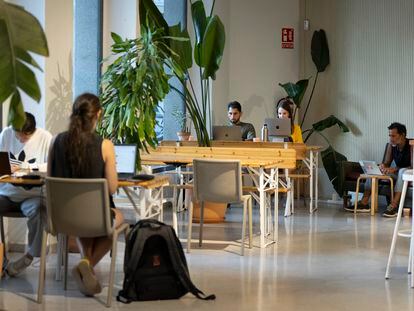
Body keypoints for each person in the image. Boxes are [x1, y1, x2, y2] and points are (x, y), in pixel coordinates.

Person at [48, 93, 124, 296]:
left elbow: (50, 179)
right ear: (98, 114)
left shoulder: (56, 141)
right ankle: (86, 265)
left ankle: (85, 264)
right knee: (118, 221)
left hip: (62, 219)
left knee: (84, 223)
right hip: (95, 218)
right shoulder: (104, 145)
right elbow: (112, 188)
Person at [0, 112, 52, 276]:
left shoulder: (46, 138)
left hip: (33, 196)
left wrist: (25, 167)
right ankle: (1, 257)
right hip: (7, 193)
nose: (22, 139)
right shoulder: (7, 134)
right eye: (19, 136)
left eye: (26, 137)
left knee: (39, 212)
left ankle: (28, 258)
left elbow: (50, 166)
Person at [345, 122, 411, 217]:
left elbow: (412, 166)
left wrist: (395, 169)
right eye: (389, 135)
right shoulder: (391, 146)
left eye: (393, 136)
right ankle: (364, 203)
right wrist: (382, 166)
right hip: (398, 172)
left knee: (401, 172)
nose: (391, 138)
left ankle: (394, 206)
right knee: (373, 170)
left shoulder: (411, 145)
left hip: (409, 173)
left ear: (402, 135)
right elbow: (387, 163)